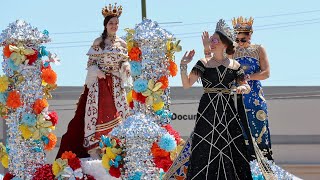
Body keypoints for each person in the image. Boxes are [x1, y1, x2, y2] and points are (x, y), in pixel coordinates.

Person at [166, 19, 253, 180]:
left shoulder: (235, 65)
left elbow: (246, 85)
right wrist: (183, 65)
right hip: (208, 110)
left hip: (228, 110)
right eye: (211, 40)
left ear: (225, 44)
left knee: (231, 146)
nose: (211, 43)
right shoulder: (203, 63)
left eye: (215, 40)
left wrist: (242, 88)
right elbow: (186, 85)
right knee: (204, 146)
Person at [57, 3, 131, 159]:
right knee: (98, 116)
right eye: (111, 23)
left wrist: (125, 67)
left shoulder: (123, 44)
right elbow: (91, 63)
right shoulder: (98, 42)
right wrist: (97, 72)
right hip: (101, 86)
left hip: (116, 85)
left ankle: (118, 149)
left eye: (116, 23)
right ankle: (96, 150)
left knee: (120, 114)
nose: (114, 26)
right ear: (105, 25)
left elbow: (124, 61)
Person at [231, 16, 273, 160]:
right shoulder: (231, 51)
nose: (240, 43)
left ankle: (261, 164)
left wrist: (248, 77)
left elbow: (266, 73)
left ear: (250, 36)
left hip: (254, 95)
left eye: (243, 40)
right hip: (237, 95)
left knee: (258, 128)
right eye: (237, 40)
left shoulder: (259, 49)